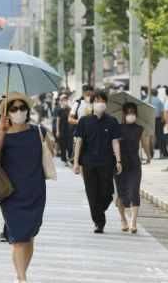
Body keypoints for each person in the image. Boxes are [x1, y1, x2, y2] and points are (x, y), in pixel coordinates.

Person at [0, 92, 50, 283]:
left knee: (29, 236)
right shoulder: (3, 135)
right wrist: (0, 131)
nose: (19, 112)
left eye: (22, 108)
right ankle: (22, 279)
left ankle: (20, 274)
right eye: (14, 109)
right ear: (7, 113)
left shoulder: (38, 131)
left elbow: (51, 151)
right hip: (12, 193)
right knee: (18, 238)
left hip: (35, 191)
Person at [73, 91, 122, 234]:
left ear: (106, 103)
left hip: (107, 163)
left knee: (107, 192)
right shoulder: (84, 121)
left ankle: (99, 210)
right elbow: (79, 142)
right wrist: (76, 162)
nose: (100, 103)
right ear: (92, 103)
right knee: (92, 193)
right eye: (97, 100)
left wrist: (118, 160)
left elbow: (115, 142)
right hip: (88, 163)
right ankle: (98, 222)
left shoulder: (112, 121)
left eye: (102, 101)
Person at [115, 102, 143, 234]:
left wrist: (148, 156)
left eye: (133, 112)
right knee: (121, 194)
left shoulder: (139, 128)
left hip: (134, 164)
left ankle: (134, 222)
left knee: (134, 192)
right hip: (120, 165)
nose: (131, 114)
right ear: (124, 114)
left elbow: (144, 142)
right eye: (129, 112)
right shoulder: (117, 128)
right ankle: (123, 219)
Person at [56, 94, 73, 165]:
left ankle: (69, 158)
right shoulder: (59, 110)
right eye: (63, 100)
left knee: (70, 145)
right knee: (63, 145)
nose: (65, 101)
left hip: (69, 130)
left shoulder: (70, 109)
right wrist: (57, 131)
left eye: (66, 100)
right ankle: (65, 159)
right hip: (62, 129)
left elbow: (72, 118)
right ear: (61, 101)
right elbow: (58, 121)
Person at [150, 89, 164, 159]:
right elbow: (162, 112)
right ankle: (161, 153)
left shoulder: (147, 100)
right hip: (158, 120)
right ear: (157, 94)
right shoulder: (159, 101)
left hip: (149, 120)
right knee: (159, 136)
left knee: (151, 137)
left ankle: (151, 154)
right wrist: (162, 120)